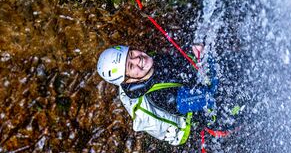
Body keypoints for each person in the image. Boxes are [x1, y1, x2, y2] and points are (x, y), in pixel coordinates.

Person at [97, 45, 244, 146]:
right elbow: (212, 96)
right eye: (130, 66)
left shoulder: (152, 64)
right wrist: (209, 57)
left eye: (131, 54)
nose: (137, 60)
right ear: (128, 80)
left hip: (210, 88)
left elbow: (182, 59)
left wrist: (196, 50)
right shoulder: (163, 97)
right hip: (224, 116)